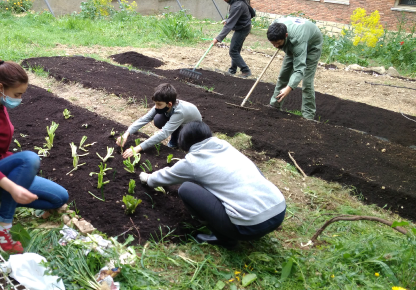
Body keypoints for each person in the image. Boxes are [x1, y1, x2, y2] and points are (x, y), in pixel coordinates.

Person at [0, 59, 69, 254]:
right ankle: (1, 223)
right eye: (17, 94)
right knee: (30, 159)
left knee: (59, 197)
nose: (19, 99)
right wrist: (13, 186)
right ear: (0, 87)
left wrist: (20, 176)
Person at [139, 121, 285, 247]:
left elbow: (163, 177)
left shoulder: (193, 161)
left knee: (187, 188)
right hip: (278, 210)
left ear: (184, 143)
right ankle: (260, 216)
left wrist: (146, 177)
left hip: (247, 227)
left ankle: (225, 239)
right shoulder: (225, 146)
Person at [117, 83, 202, 158]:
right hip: (180, 123)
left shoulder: (180, 112)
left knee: (182, 141)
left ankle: (181, 142)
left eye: (159, 104)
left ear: (169, 104)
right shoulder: (163, 104)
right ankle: (175, 138)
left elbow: (164, 133)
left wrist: (138, 148)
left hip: (193, 130)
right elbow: (144, 119)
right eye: (155, 103)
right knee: (158, 119)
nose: (156, 107)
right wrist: (126, 134)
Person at [266, 17, 323, 120]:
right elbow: (279, 40)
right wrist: (278, 44)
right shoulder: (276, 25)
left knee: (307, 82)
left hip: (312, 46)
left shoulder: (298, 42)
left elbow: (299, 69)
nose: (275, 46)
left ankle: (308, 116)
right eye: (273, 43)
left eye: (278, 43)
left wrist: (289, 87)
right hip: (292, 41)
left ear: (285, 36)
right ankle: (274, 105)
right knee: (283, 75)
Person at [212, 0, 253, 78]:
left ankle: (246, 71)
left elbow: (229, 26)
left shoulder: (237, 5)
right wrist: (228, 20)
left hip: (243, 28)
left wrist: (218, 38)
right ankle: (232, 70)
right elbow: (234, 18)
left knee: (233, 51)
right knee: (236, 49)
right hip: (242, 26)